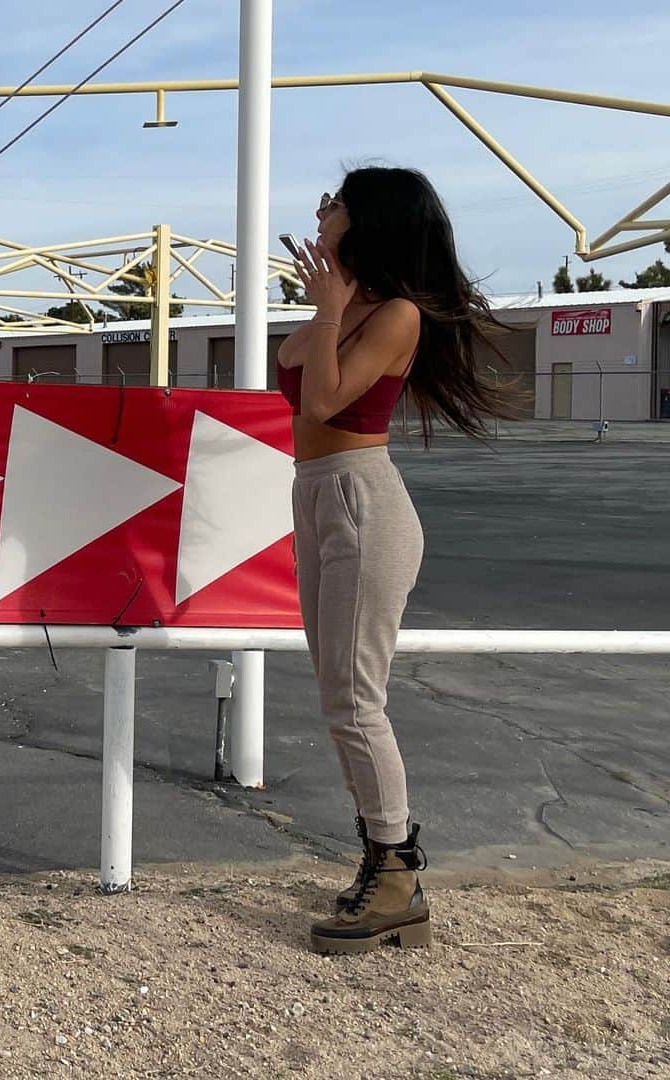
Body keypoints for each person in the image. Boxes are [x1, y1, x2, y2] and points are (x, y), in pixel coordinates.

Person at [276, 166, 522, 955]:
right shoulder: (352, 306)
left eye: (336, 204)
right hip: (315, 495)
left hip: (362, 502)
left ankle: (395, 876)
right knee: (336, 696)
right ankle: (382, 867)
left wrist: (328, 309)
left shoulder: (400, 316)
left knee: (355, 700)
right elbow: (297, 371)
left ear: (371, 220)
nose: (321, 211)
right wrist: (330, 304)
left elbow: (321, 400)